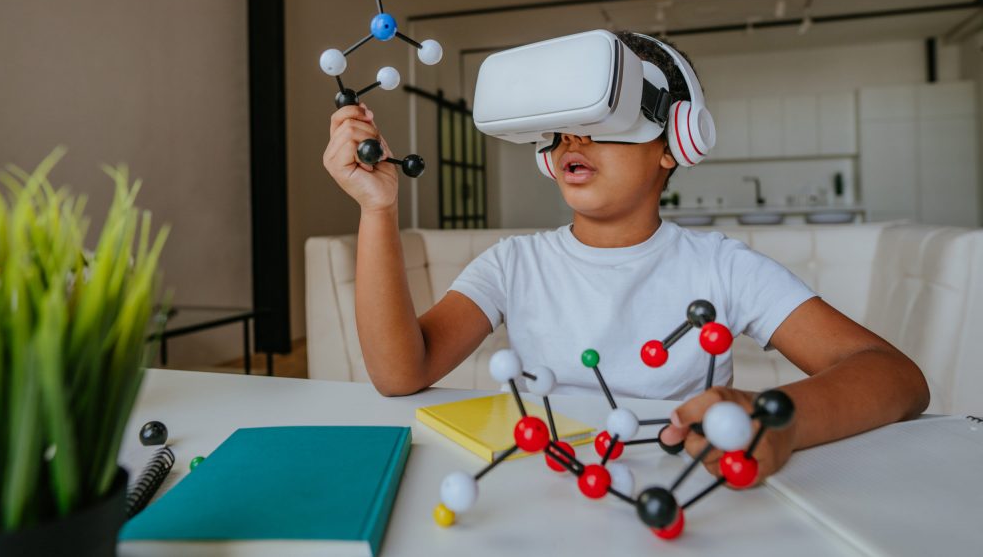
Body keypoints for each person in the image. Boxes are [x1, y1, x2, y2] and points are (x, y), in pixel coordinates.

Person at [322, 31, 929, 484]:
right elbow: (402, 372)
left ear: (675, 143)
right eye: (560, 129)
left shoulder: (723, 268)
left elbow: (897, 378)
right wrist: (377, 209)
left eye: (601, 120)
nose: (573, 141)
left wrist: (781, 419)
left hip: (685, 497)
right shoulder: (513, 265)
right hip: (548, 493)